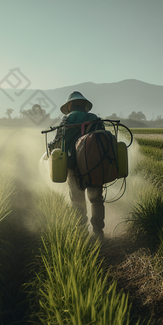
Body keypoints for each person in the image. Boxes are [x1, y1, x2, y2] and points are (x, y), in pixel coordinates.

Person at [48, 91, 106, 239]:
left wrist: (50, 148)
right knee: (96, 199)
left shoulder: (68, 119)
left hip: (74, 167)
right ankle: (98, 232)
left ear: (71, 104)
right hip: (95, 166)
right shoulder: (95, 119)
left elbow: (57, 142)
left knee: (77, 201)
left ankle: (81, 233)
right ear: (84, 105)